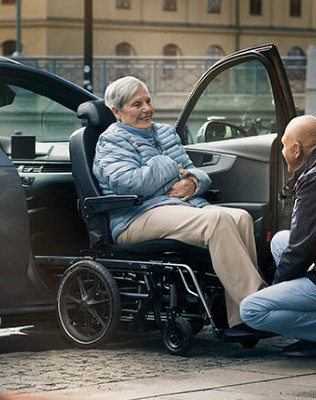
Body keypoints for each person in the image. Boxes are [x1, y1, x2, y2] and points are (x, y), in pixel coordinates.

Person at [93, 76, 267, 334]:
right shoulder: (112, 140)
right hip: (136, 216)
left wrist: (194, 182)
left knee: (240, 217)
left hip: (177, 206)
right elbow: (127, 184)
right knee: (217, 221)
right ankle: (259, 307)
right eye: (136, 104)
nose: (146, 109)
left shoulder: (164, 132)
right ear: (116, 112)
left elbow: (194, 171)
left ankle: (239, 317)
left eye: (148, 101)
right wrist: (167, 166)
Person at [240, 115, 316, 366]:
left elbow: (302, 249)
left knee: (252, 310)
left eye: (283, 145)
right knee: (280, 240)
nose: (282, 151)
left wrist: (277, 289)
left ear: (296, 148)